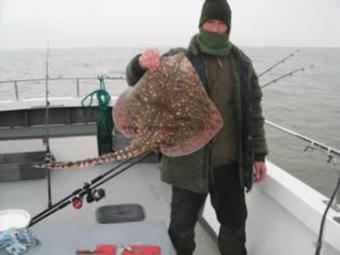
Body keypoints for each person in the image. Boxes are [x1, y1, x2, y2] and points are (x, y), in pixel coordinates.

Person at [125, 0, 268, 254]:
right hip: (187, 163)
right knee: (181, 228)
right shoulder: (180, 59)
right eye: (210, 22)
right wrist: (140, 63)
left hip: (230, 165)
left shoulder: (242, 64)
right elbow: (138, 80)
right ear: (201, 24)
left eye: (221, 23)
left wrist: (258, 155)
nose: (214, 28)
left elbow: (253, 111)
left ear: (228, 27)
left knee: (235, 226)